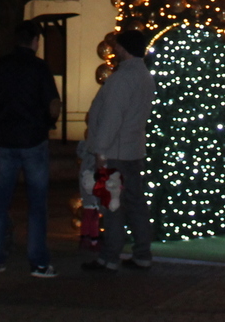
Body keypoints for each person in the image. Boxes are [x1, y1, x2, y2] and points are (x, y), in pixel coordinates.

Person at [0, 21, 62, 278]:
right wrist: (48, 124)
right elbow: (53, 103)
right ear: (36, 40)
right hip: (33, 140)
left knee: (0, 204)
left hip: (5, 140)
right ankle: (37, 262)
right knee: (37, 205)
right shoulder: (39, 67)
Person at [80, 30, 155, 272]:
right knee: (135, 203)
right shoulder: (145, 76)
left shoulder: (121, 79)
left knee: (111, 205)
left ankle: (109, 257)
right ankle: (143, 253)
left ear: (123, 48)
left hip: (114, 151)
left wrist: (100, 150)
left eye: (118, 46)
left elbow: (112, 116)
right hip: (134, 149)